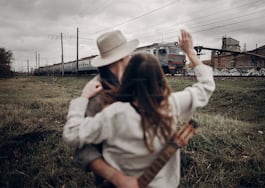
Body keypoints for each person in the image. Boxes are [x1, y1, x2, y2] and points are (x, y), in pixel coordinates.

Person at [63, 30, 215, 187]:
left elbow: (73, 135)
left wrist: (81, 99)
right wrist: (190, 52)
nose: (130, 57)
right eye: (128, 54)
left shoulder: (114, 113)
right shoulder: (171, 104)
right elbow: (206, 86)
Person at [76, 30, 140, 188]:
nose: (131, 58)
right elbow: (85, 147)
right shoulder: (95, 94)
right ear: (121, 58)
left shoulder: (135, 81)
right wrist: (117, 178)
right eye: (128, 54)